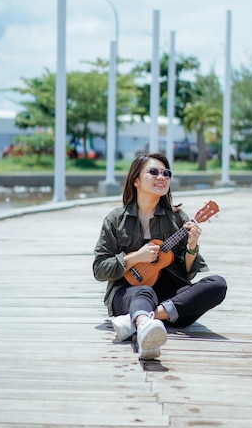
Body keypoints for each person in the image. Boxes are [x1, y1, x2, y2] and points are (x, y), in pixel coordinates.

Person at [93, 152, 227, 360]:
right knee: (143, 291)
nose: (161, 177)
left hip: (171, 301)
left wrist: (192, 246)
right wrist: (135, 257)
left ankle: (141, 321)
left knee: (217, 284)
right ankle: (144, 320)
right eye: (153, 172)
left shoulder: (177, 219)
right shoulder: (115, 220)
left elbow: (187, 274)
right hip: (127, 294)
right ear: (136, 180)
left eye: (167, 173)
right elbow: (100, 269)